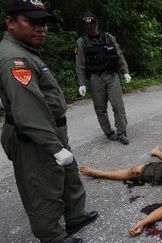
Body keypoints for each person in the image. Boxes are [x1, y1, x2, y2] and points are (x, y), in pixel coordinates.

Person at [0, 1, 98, 242]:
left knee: (67, 175)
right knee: (42, 188)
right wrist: (54, 147)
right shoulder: (15, 59)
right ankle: (52, 236)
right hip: (34, 136)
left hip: (50, 129)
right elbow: (28, 112)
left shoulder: (26, 50)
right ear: (10, 22)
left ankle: (75, 216)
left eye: (43, 23)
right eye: (32, 22)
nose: (40, 28)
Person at [75, 12, 131, 145]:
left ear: (97, 24)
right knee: (100, 108)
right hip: (95, 78)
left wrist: (125, 71)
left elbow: (119, 55)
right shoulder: (81, 42)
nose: (91, 28)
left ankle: (122, 132)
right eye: (88, 26)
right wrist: (81, 83)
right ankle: (108, 132)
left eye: (92, 25)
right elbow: (80, 64)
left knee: (118, 105)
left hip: (111, 75)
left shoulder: (108, 37)